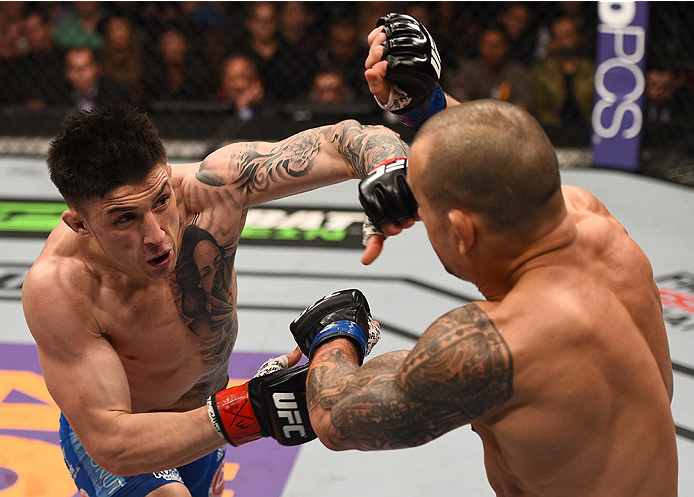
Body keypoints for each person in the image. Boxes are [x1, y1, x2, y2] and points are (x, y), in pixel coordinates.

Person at [288, 13, 679, 497]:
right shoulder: (597, 229)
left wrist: (335, 333)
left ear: (461, 230)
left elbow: (335, 420)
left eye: (425, 213)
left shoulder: (488, 347)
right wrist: (422, 104)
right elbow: (499, 154)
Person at [22, 104, 408, 496]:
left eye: (160, 200)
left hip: (206, 419)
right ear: (80, 224)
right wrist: (255, 409)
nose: (157, 235)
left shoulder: (213, 189)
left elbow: (342, 142)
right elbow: (113, 442)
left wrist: (390, 168)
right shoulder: (60, 287)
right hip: (131, 436)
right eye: (125, 218)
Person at [445, 24, 534, 113]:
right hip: (473, 123)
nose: (492, 50)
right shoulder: (469, 72)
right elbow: (459, 104)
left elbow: (523, 108)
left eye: (496, 45)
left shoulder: (519, 74)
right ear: (480, 46)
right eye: (487, 44)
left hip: (507, 125)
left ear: (506, 47)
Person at [61, 45, 132, 112]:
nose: (80, 74)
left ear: (97, 68)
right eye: (73, 68)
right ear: (66, 73)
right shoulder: (60, 96)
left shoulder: (116, 93)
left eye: (86, 66)